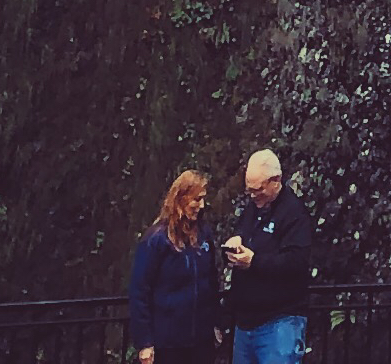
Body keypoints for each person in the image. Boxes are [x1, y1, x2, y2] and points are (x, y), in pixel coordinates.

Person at [221, 151, 316, 364]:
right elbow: (241, 234)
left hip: (279, 322)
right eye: (250, 190)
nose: (254, 195)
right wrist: (234, 243)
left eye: (259, 189)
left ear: (276, 181)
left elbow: (297, 262)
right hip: (245, 322)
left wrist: (255, 262)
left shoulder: (294, 213)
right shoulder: (251, 210)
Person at [127, 174, 216, 364]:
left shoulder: (204, 234)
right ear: (181, 199)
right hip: (167, 342)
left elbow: (212, 281)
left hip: (201, 340)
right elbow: (139, 291)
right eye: (196, 199)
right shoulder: (156, 239)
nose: (201, 205)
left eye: (203, 199)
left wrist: (215, 323)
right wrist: (145, 342)